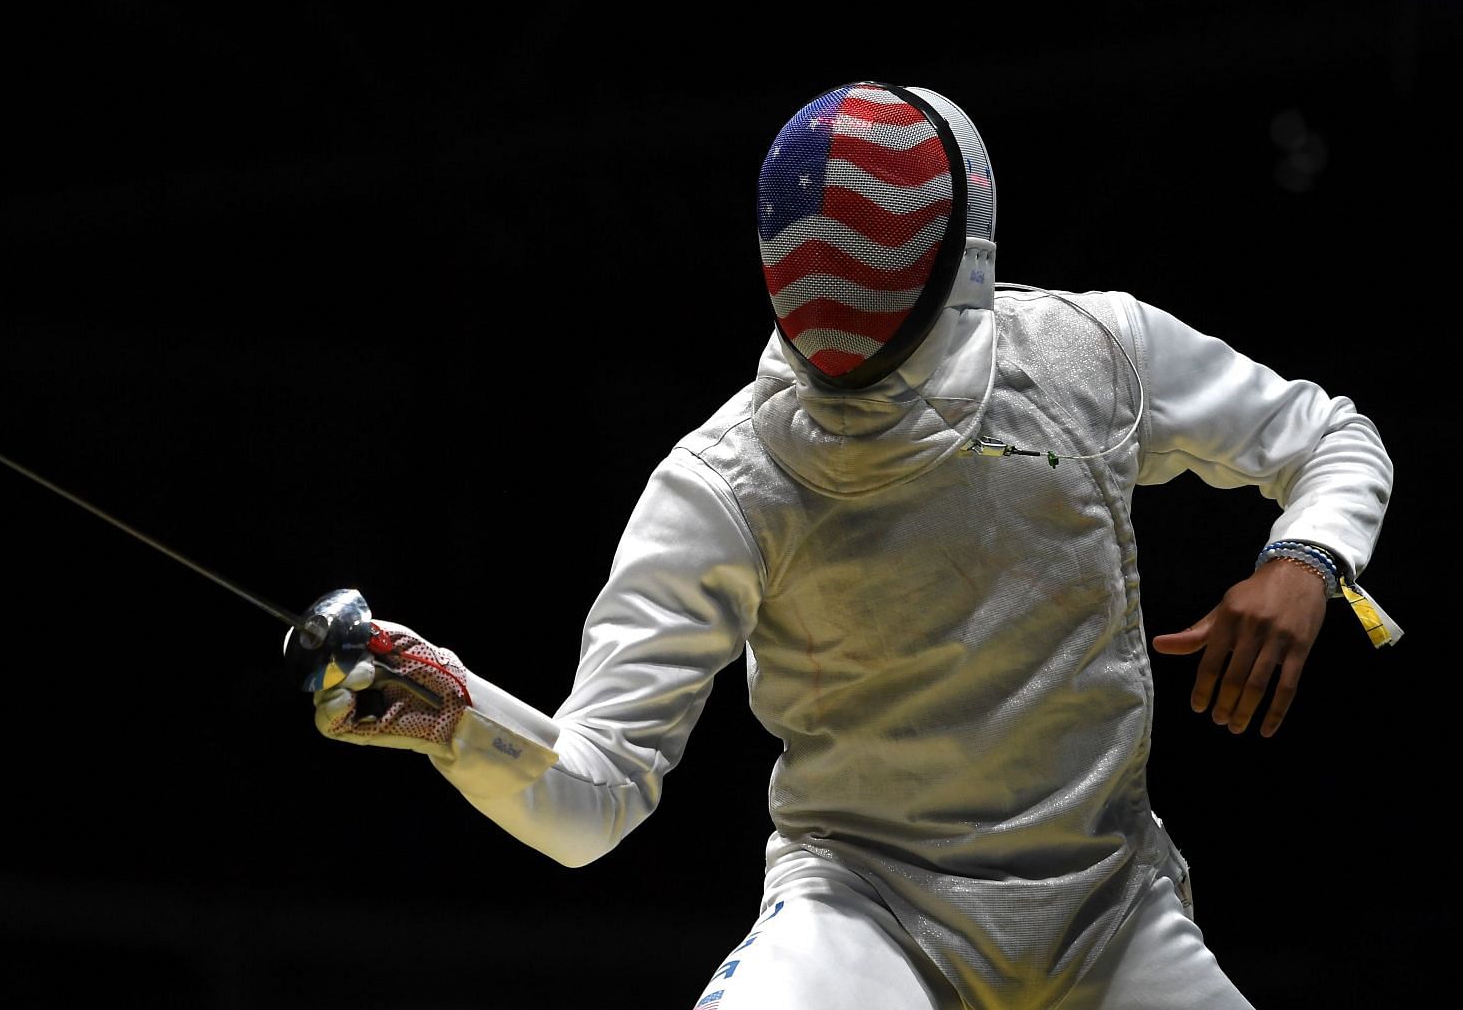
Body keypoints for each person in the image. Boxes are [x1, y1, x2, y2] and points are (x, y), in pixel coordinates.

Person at [290, 81, 1398, 1010]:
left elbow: (1332, 439)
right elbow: (596, 792)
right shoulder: (729, 483)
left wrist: (1309, 559)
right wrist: (461, 717)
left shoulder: (1087, 358)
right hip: (870, 910)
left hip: (1109, 907)